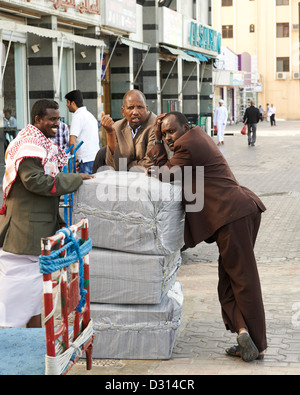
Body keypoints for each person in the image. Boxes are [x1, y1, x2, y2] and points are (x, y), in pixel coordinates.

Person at [147, 111, 267, 362]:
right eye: (165, 133)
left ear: (185, 127)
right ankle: (245, 335)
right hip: (234, 215)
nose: (169, 138)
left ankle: (258, 342)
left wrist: (156, 140)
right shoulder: (195, 138)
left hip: (232, 215)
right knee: (227, 282)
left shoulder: (187, 146)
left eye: (171, 131)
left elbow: (161, 174)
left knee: (242, 279)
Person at [0, 99, 94, 328]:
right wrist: (74, 179)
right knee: (18, 293)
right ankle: (9, 338)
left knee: (32, 293)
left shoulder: (39, 145)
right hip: (25, 232)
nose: (57, 123)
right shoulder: (29, 146)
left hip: (32, 229)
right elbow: (35, 182)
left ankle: (31, 335)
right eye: (51, 119)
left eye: (58, 119)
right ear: (37, 120)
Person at [100, 89, 156, 171]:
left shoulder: (156, 125)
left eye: (140, 107)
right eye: (131, 108)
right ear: (123, 111)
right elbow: (113, 165)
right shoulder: (116, 127)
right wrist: (110, 133)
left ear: (146, 109)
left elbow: (151, 163)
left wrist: (125, 167)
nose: (135, 112)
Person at [65, 90, 100, 174]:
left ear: (72, 103)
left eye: (67, 102)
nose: (66, 105)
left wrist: (74, 160)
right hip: (95, 158)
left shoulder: (77, 117)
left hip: (85, 161)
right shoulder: (90, 115)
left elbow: (72, 141)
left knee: (85, 186)